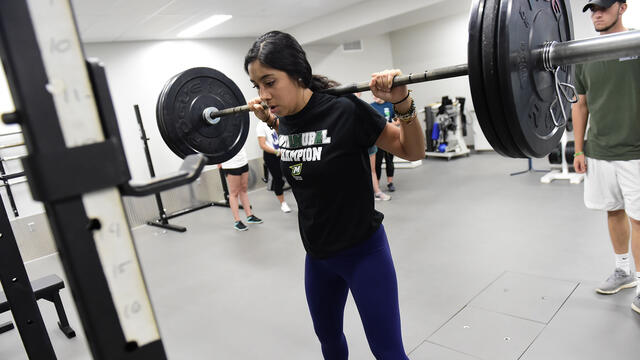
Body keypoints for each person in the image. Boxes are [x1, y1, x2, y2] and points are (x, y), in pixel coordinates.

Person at [244, 31, 424, 359]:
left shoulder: (345, 110)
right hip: (318, 257)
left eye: (269, 82)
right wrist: (269, 119)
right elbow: (297, 137)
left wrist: (402, 102)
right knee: (328, 340)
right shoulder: (284, 119)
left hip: (363, 255)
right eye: (257, 86)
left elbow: (411, 150)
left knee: (388, 353)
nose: (263, 93)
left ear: (298, 74)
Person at [573, 0, 640, 314]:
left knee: (639, 220)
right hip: (600, 150)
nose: (596, 14)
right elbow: (580, 104)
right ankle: (623, 270)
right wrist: (579, 148)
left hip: (635, 150)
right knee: (613, 211)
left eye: (603, 7)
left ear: (622, 8)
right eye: (591, 9)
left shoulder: (637, 43)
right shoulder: (583, 54)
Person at [219, 147, 263, 231]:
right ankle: (237, 221)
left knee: (243, 189)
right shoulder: (221, 134)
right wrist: (219, 160)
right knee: (234, 193)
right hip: (230, 164)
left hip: (243, 160)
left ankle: (249, 216)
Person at [256, 120, 292, 213]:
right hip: (272, 156)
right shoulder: (261, 125)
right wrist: (277, 152)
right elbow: (262, 145)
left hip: (284, 153)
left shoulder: (278, 120)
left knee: (293, 176)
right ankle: (283, 203)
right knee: (278, 179)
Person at [370, 95, 399, 192]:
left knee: (389, 161)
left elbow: (397, 120)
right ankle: (376, 186)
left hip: (390, 138)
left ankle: (390, 183)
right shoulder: (371, 106)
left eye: (375, 95)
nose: (374, 97)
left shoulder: (390, 106)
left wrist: (390, 124)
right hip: (378, 139)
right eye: (373, 96)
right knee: (377, 163)